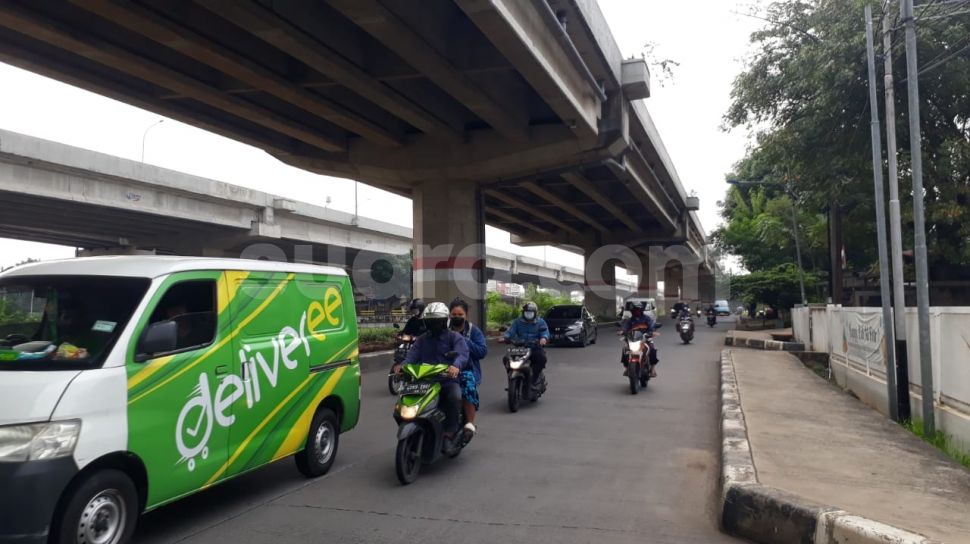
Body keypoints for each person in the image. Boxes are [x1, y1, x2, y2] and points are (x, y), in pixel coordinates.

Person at [393, 302, 469, 440]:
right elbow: (412, 355)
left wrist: (455, 366)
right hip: (424, 381)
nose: (434, 325)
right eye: (431, 322)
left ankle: (451, 429)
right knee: (401, 404)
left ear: (445, 321)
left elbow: (462, 354)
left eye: (438, 321)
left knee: (455, 397)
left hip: (446, 381)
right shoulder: (422, 339)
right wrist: (402, 366)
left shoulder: (454, 337)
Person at [449, 298, 487, 437]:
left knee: (467, 385)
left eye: (460, 315)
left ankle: (470, 424)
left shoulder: (473, 331)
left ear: (466, 316)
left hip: (467, 370)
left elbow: (482, 352)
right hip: (444, 369)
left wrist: (463, 341)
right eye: (454, 315)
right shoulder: (443, 329)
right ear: (449, 315)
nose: (457, 317)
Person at [499, 301, 549, 385]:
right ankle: (511, 374)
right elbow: (510, 332)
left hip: (535, 347)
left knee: (542, 359)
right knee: (506, 359)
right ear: (523, 313)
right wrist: (505, 337)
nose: (528, 314)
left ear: (535, 313)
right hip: (520, 348)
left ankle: (534, 378)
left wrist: (544, 338)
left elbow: (545, 332)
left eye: (531, 313)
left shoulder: (541, 322)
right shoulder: (517, 322)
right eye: (527, 312)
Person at [621, 302, 660, 377]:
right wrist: (622, 331)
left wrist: (653, 332)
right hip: (633, 340)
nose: (637, 311)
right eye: (635, 310)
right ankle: (626, 368)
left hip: (645, 339)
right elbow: (625, 327)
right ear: (632, 311)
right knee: (625, 349)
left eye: (638, 309)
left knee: (652, 349)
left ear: (641, 310)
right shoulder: (630, 320)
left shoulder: (647, 319)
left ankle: (652, 369)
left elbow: (652, 327)